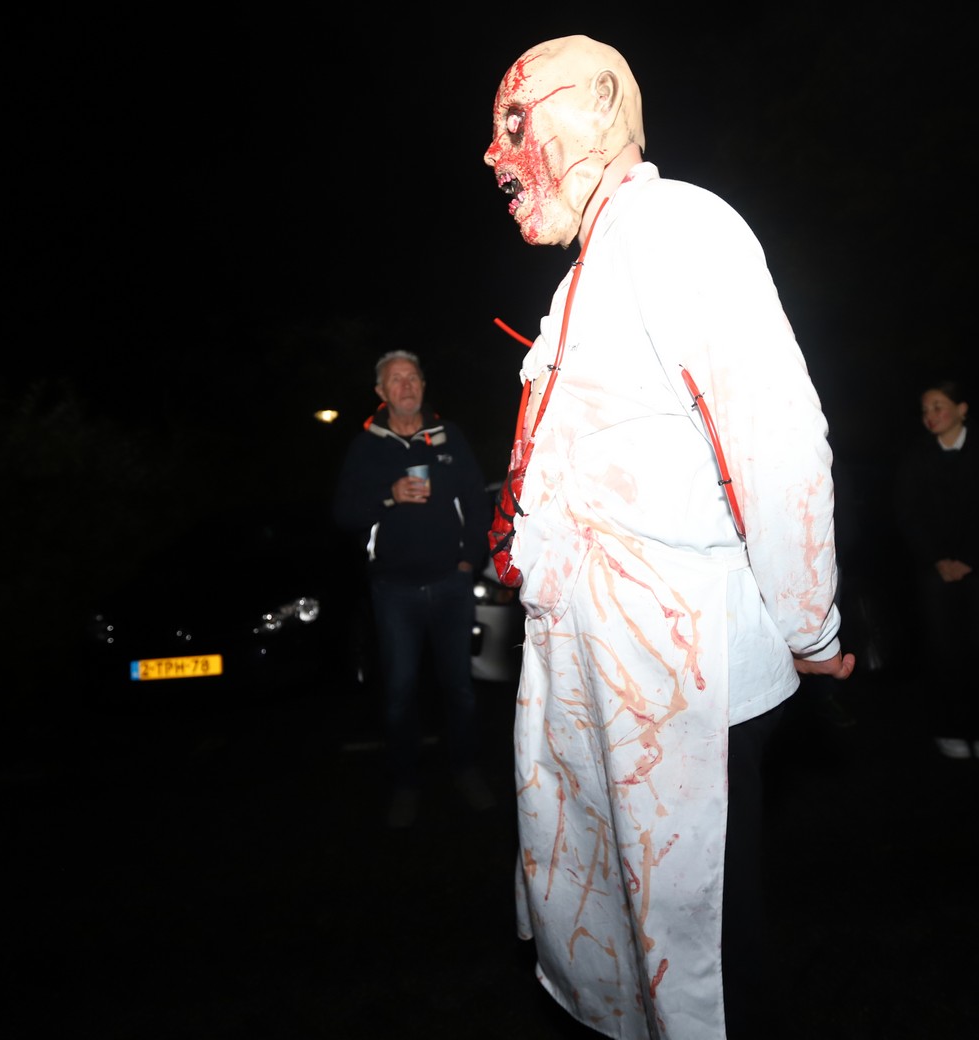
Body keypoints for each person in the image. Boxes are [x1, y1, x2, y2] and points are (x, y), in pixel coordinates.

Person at [482, 36, 853, 1039]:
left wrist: (808, 626)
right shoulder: (585, 278)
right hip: (600, 687)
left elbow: (776, 440)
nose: (493, 153)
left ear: (604, 104)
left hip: (684, 691)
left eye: (515, 119)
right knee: (627, 956)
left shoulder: (677, 226)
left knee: (705, 971)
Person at [331, 350, 493, 828]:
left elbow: (477, 503)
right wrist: (390, 496)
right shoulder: (367, 447)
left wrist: (469, 560)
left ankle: (466, 770)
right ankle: (405, 784)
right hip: (394, 592)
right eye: (395, 380)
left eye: (412, 377)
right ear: (381, 393)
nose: (406, 385)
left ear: (423, 385)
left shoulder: (448, 437)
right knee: (400, 693)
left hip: (451, 585)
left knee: (459, 689)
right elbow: (344, 514)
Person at [892, 378, 979, 761]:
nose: (930, 415)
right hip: (935, 570)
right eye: (925, 409)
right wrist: (937, 559)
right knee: (943, 650)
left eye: (938, 406)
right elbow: (907, 513)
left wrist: (970, 558)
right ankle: (949, 727)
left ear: (962, 409)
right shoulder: (916, 457)